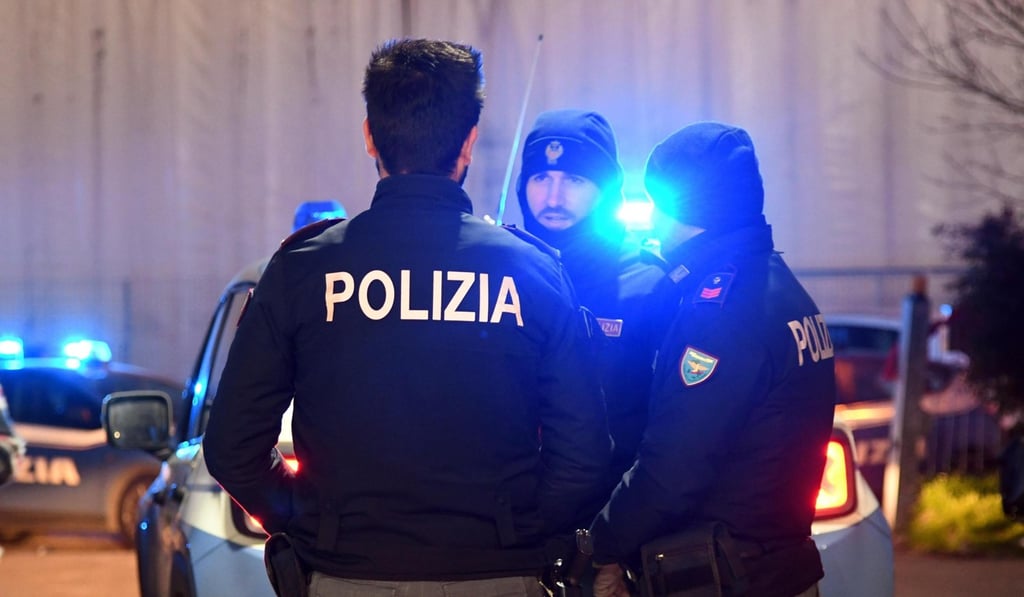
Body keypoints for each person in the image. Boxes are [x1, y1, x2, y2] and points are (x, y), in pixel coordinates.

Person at [202, 38, 611, 597]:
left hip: (347, 575)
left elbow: (231, 445)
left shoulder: (303, 269)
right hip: (499, 574)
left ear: (369, 135)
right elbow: (583, 457)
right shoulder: (534, 272)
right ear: (469, 143)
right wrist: (519, 529)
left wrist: (308, 518)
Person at [589, 122, 837, 597]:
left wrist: (603, 546)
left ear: (687, 206)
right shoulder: (782, 288)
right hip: (782, 569)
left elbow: (673, 468)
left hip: (729, 575)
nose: (651, 219)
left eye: (657, 201)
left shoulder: (719, 313)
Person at [516, 109, 669, 502]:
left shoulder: (649, 282)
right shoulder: (503, 271)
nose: (553, 197)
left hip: (611, 511)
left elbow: (674, 430)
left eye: (574, 179)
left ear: (606, 189)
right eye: (541, 178)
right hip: (515, 514)